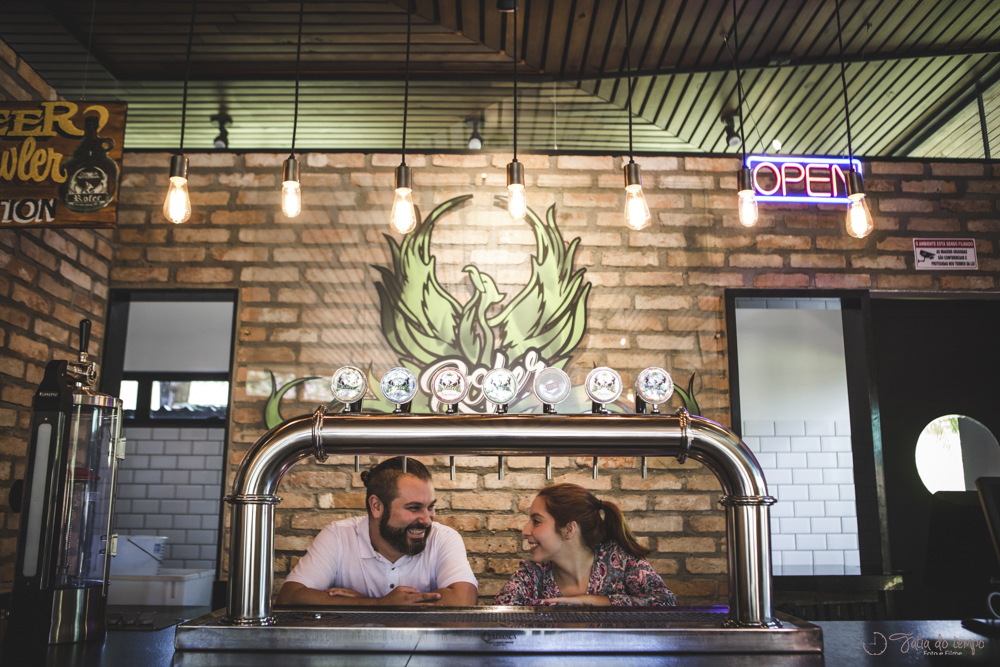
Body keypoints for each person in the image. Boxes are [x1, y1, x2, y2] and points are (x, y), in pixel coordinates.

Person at [276, 456, 478, 607]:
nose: (426, 519)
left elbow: (463, 605)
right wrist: (380, 605)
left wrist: (364, 604)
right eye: (414, 508)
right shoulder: (339, 536)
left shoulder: (443, 538)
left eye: (430, 507)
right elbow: (290, 598)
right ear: (377, 506)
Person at [494, 483, 676, 607]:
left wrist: (589, 601)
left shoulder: (619, 561)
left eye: (536, 521)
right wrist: (567, 605)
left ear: (569, 529)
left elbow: (666, 601)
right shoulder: (533, 574)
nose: (525, 531)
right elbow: (501, 609)